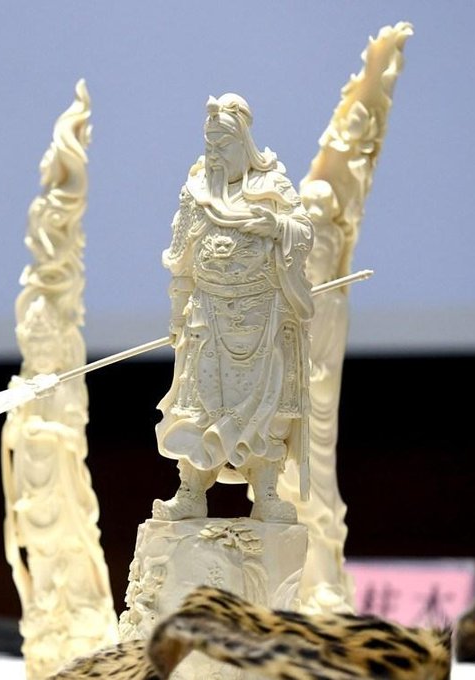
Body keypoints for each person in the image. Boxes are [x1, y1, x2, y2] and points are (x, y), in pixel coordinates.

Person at [153, 93, 313, 524]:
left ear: (244, 142)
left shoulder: (273, 187)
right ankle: (190, 492)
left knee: (265, 409)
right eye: (209, 144)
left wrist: (275, 225)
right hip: (207, 317)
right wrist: (177, 314)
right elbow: (180, 259)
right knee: (198, 406)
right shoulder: (196, 193)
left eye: (222, 144)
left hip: (263, 315)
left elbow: (304, 230)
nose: (214, 153)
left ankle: (267, 493)